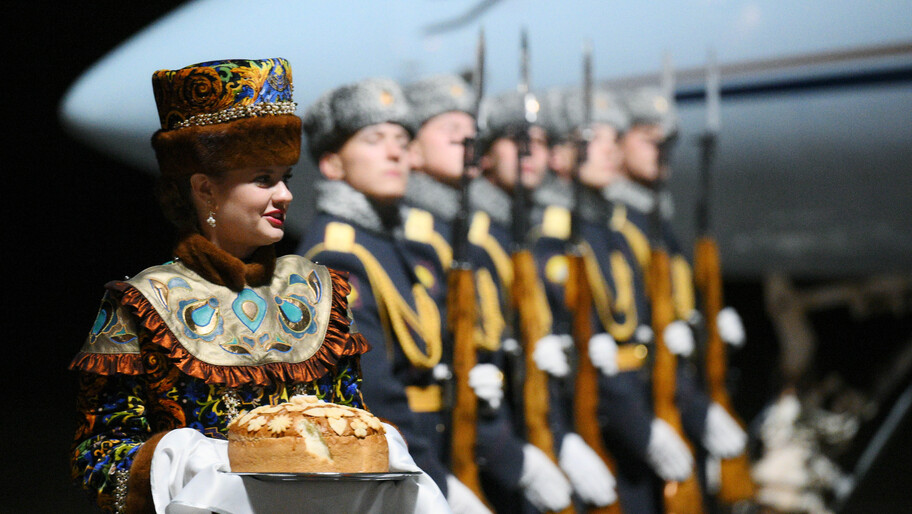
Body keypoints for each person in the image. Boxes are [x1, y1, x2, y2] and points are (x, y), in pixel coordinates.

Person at [69, 58, 393, 512]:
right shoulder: (144, 301)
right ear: (204, 189)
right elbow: (97, 456)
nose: (285, 196)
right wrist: (176, 461)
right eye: (263, 179)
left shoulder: (319, 290)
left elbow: (350, 422)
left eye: (286, 178)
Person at [296, 77, 489, 513]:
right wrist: (435, 486)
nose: (395, 151)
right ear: (332, 164)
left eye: (402, 138)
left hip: (432, 447)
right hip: (395, 473)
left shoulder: (391, 240)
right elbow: (375, 393)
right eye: (374, 139)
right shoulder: (336, 254)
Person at [403, 74, 573, 513]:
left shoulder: (468, 234)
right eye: (450, 132)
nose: (466, 144)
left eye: (470, 134)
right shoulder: (423, 237)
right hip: (440, 445)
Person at [470, 89, 617, 511]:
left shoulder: (530, 230)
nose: (528, 149)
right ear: (484, 156)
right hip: (502, 438)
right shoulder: (478, 239)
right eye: (513, 138)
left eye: (537, 139)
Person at [607, 84, 748, 503]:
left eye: (667, 140)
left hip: (678, 386)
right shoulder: (614, 223)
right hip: (640, 397)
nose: (660, 149)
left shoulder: (655, 216)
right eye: (647, 137)